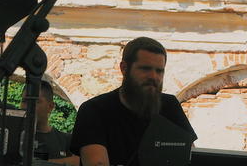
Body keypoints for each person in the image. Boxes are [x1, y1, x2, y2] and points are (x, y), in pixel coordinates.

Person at [70, 36, 196, 166]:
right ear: (124, 68)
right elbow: (97, 163)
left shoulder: (169, 105)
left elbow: (191, 156)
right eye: (145, 69)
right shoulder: (94, 110)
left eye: (159, 71)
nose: (154, 76)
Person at [30, 79, 79, 165]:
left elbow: (82, 160)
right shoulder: (10, 136)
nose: (29, 106)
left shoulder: (65, 140)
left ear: (50, 106)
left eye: (37, 101)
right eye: (24, 101)